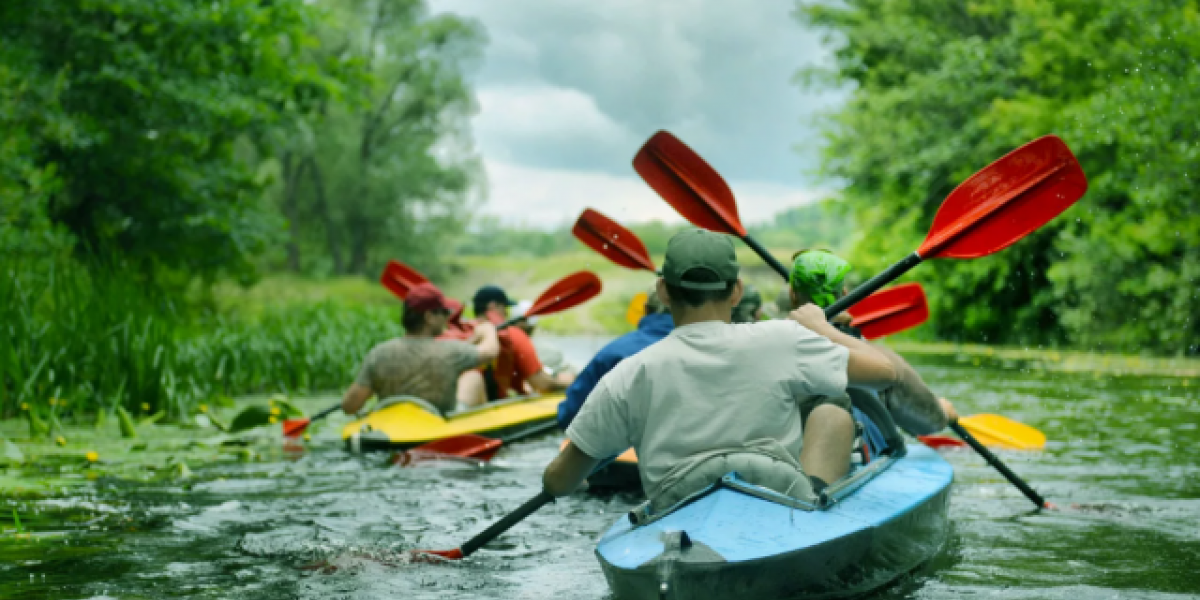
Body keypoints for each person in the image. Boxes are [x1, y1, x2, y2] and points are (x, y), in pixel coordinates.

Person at [542, 229, 898, 512]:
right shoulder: (782, 339)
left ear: (664, 291)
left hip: (676, 507)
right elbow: (885, 373)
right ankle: (818, 503)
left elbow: (561, 483)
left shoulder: (631, 372)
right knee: (832, 407)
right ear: (737, 292)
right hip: (779, 497)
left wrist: (555, 479)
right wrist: (825, 328)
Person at [786, 249, 958, 441]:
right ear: (844, 293)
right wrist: (944, 414)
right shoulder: (878, 362)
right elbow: (928, 422)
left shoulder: (763, 343)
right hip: (851, 460)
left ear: (792, 294)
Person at [341, 283, 500, 416]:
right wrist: (488, 329)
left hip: (391, 434)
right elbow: (490, 352)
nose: (447, 318)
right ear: (429, 317)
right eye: (444, 313)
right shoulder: (451, 351)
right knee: (473, 377)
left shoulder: (378, 354)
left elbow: (349, 406)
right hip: (436, 432)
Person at [556, 283, 674, 429]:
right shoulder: (705, 351)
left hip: (622, 445)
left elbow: (572, 414)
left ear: (645, 309)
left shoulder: (613, 353)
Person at [472, 285, 574, 401]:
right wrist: (571, 382)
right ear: (493, 306)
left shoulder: (464, 332)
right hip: (500, 409)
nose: (506, 312)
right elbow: (542, 384)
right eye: (505, 307)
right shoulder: (513, 334)